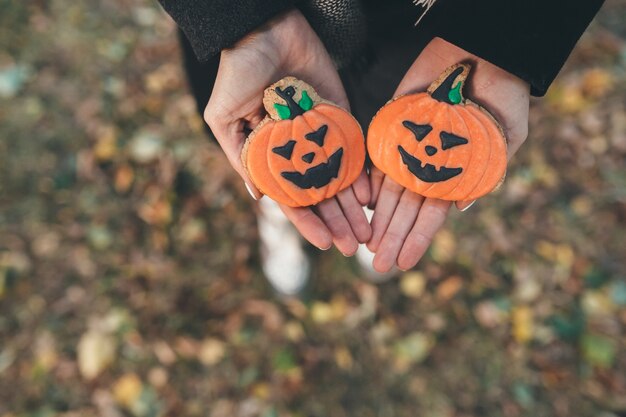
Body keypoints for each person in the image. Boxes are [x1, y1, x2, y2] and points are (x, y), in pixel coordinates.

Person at [158, 0, 605, 293]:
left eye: (443, 143)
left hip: (430, 27)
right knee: (259, 140)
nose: (432, 152)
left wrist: (505, 33)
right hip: (265, 17)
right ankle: (279, 206)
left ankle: (371, 207)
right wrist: (237, 17)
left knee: (380, 143)